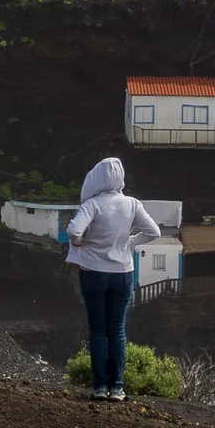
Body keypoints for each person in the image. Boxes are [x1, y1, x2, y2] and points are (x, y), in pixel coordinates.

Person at [66, 158, 160, 402]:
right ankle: (117, 388)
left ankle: (99, 387)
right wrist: (129, 243)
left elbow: (75, 231)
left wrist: (79, 244)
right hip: (123, 274)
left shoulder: (93, 205)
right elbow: (154, 232)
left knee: (98, 330)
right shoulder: (132, 204)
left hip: (93, 272)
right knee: (117, 330)